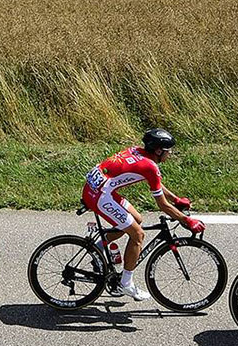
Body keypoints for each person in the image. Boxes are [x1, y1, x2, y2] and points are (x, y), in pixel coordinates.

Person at [82, 128, 204, 301]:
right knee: (138, 235)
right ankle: (126, 284)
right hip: (100, 195)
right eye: (168, 151)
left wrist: (176, 199)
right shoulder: (150, 166)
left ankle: (98, 247)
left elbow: (156, 184)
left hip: (98, 188)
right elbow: (162, 205)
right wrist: (186, 220)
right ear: (158, 151)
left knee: (137, 220)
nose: (169, 154)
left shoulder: (138, 152)